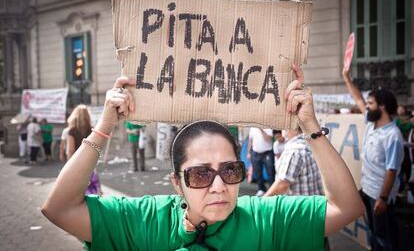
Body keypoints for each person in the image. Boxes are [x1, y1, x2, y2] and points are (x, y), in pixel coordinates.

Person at [42, 64, 365, 250]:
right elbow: (59, 209)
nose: (218, 186)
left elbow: (346, 208)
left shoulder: (267, 217)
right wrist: (103, 128)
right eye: (199, 174)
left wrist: (310, 126)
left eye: (230, 170)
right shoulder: (144, 220)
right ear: (176, 183)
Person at [343, 67, 404, 251]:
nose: (366, 106)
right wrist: (346, 77)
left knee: (384, 238)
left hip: (380, 196)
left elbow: (391, 171)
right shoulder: (371, 123)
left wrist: (383, 199)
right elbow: (358, 99)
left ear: (382, 106)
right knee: (375, 234)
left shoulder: (393, 136)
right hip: (368, 191)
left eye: (371, 103)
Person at [264, 129, 324, 197]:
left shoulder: (294, 151)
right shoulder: (310, 142)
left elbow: (282, 184)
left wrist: (262, 202)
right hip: (314, 202)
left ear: (290, 126)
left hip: (301, 205)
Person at [66, 104, 102, 195]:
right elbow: (96, 149)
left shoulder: (72, 131)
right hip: (89, 164)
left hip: (76, 164)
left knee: (78, 191)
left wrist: (69, 167)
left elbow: (70, 150)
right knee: (91, 189)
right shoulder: (91, 130)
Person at [247, 127, 275, 197]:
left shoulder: (268, 127)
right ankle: (261, 189)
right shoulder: (252, 128)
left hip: (267, 152)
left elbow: (268, 139)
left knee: (271, 172)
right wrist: (248, 152)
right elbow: (250, 140)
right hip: (255, 152)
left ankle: (272, 190)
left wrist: (261, 130)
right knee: (257, 172)